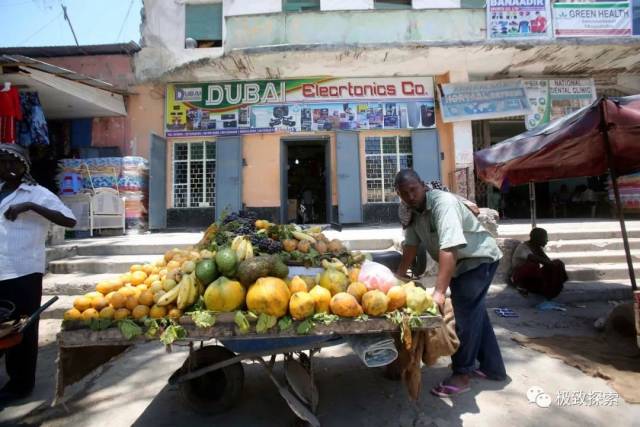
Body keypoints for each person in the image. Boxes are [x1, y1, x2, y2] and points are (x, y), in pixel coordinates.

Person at [393, 169, 506, 397]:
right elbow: (411, 246)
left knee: (464, 317)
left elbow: (449, 248)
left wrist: (439, 292)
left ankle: (462, 374)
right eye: (404, 193)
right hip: (460, 265)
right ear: (399, 194)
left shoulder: (443, 203)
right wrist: (399, 277)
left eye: (413, 190)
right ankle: (493, 368)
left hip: (477, 259)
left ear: (423, 185)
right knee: (476, 314)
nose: (410, 196)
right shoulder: (409, 210)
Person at [0, 143, 76, 402]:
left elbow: (69, 219)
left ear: (25, 165)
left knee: (22, 330)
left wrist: (30, 206)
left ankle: (21, 384)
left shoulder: (37, 193)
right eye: (3, 162)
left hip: (22, 271)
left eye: (14, 163)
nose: (8, 168)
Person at [511, 228, 567, 300]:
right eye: (545, 238)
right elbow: (538, 260)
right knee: (533, 266)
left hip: (533, 277)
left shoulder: (537, 247)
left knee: (558, 263)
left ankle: (553, 289)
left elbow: (548, 262)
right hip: (522, 279)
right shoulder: (524, 247)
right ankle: (548, 290)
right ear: (537, 238)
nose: (547, 240)